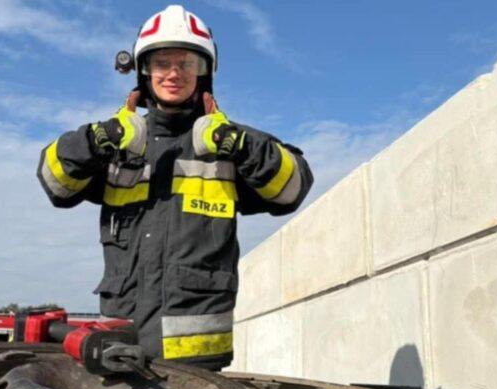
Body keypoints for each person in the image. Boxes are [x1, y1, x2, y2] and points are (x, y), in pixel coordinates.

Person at [37, 5, 313, 370]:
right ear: (143, 70)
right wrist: (99, 138)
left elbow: (293, 187)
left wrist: (241, 146)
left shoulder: (228, 145)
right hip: (118, 352)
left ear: (204, 72)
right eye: (162, 63)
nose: (173, 73)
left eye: (187, 63)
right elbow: (55, 182)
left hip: (198, 365)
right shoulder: (117, 144)